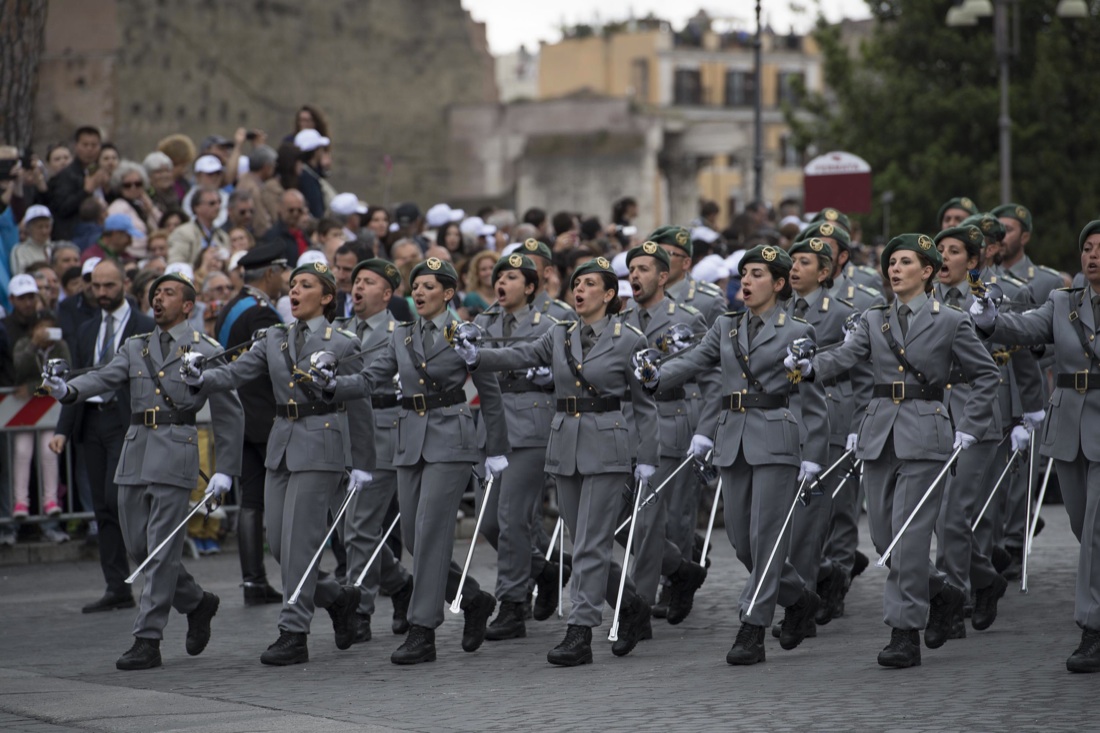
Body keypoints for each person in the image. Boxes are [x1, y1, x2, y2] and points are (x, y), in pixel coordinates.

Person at [793, 233, 999, 668]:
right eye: (891, 262)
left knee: (907, 539)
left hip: (926, 432)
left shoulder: (951, 320)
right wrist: (812, 367)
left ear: (926, 271)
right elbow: (846, 357)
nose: (895, 269)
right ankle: (942, 591)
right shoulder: (873, 319)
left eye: (905, 262)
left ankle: (904, 631)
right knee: (885, 538)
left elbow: (986, 376)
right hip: (879, 431)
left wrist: (970, 427)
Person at [455, 255, 658, 667]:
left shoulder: (629, 338)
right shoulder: (561, 335)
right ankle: (631, 606)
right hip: (565, 443)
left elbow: (645, 404)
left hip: (606, 444)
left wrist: (647, 457)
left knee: (591, 541)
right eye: (576, 284)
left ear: (608, 294)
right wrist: (477, 358)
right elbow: (520, 354)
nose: (579, 290)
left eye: (589, 284)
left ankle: (581, 629)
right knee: (578, 537)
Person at [42, 271, 243, 670]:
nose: (158, 299)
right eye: (155, 293)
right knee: (138, 546)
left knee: (161, 545)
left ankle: (147, 638)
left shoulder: (204, 348)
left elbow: (228, 409)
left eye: (168, 293)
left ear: (188, 305)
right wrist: (69, 391)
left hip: (175, 449)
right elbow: (103, 375)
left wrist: (226, 470)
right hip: (135, 449)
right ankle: (197, 602)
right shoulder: (135, 347)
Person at [640, 244, 827, 666]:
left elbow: (812, 398)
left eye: (757, 274)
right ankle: (798, 599)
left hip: (776, 438)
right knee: (743, 543)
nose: (746, 280)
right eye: (744, 273)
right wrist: (655, 376)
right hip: (733, 438)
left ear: (779, 284)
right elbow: (692, 361)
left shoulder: (797, 330)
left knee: (765, 538)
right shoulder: (725, 327)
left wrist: (813, 455)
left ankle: (752, 625)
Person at [319, 256, 508, 665]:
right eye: (416, 286)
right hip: (409, 437)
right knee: (412, 538)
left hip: (450, 438)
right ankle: (473, 599)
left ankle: (424, 629)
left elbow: (489, 393)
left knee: (431, 530)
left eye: (428, 286)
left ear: (448, 293)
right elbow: (370, 379)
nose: (419, 293)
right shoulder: (402, 335)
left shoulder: (463, 333)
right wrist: (333, 384)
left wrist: (496, 449)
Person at [182, 260, 372, 666]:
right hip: (281, 442)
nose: (295, 290)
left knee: (301, 544)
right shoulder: (274, 338)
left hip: (321, 445)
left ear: (326, 297)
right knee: (283, 548)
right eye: (292, 284)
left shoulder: (342, 342)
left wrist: (362, 461)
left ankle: (293, 631)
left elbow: (359, 401)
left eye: (305, 285)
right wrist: (202, 376)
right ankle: (338, 598)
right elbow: (235, 374)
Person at [968, 219, 1100, 673]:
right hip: (1070, 426)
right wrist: (988, 319)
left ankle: (1092, 628)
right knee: (1084, 528)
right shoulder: (1062, 302)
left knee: (1096, 534)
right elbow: (1022, 330)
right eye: (1087, 248)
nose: (1093, 256)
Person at [931, 224, 1040, 638]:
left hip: (978, 413)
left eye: (953, 250)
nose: (943, 257)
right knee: (944, 517)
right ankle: (984, 578)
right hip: (935, 413)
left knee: (954, 515)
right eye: (939, 249)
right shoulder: (924, 300)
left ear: (973, 260)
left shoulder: (989, 297)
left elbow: (1021, 353)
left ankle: (952, 596)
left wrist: (1029, 413)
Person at [469, 253, 567, 641]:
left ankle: (512, 603)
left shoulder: (550, 324)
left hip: (530, 424)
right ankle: (546, 570)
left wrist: (549, 378)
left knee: (512, 519)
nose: (502, 282)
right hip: (491, 428)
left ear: (530, 286)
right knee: (490, 522)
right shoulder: (481, 323)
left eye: (512, 277)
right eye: (499, 276)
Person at [52, 258, 155, 611]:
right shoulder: (85, 329)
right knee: (102, 506)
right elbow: (76, 384)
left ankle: (151, 576)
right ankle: (117, 587)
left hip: (127, 420)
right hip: (92, 420)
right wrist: (62, 430)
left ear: (124, 283)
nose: (102, 293)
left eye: (109, 286)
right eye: (95, 286)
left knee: (118, 499)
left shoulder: (145, 326)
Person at [619, 242, 711, 620]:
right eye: (632, 269)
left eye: (644, 269)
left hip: (670, 418)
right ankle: (679, 569)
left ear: (662, 276)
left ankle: (643, 602)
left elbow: (712, 378)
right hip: (625, 423)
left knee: (665, 518)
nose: (635, 276)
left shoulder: (686, 318)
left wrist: (705, 430)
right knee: (621, 520)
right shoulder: (618, 318)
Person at [781, 236, 863, 628]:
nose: (795, 268)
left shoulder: (842, 313)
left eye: (805, 262)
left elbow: (863, 371)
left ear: (826, 271)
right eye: (792, 261)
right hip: (787, 417)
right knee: (793, 513)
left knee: (820, 512)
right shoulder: (779, 312)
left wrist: (859, 425)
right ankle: (824, 576)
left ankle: (811, 597)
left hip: (829, 414)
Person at [335, 258, 414, 642]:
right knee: (351, 527)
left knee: (361, 525)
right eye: (355, 282)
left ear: (387, 294)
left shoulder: (399, 333)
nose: (358, 288)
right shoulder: (340, 330)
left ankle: (359, 609)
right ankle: (400, 584)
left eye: (368, 282)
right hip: (342, 433)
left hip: (383, 429)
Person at [209, 242, 287, 605]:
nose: (286, 279)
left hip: (240, 414)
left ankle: (253, 581)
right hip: (265, 417)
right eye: (283, 272)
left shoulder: (231, 307)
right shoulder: (262, 314)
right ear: (269, 274)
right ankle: (288, 575)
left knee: (251, 501)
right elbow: (274, 371)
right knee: (276, 500)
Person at [11, 313, 69, 524]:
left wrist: (33, 388)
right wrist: (33, 346)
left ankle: (51, 500)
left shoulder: (60, 346)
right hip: (23, 412)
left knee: (49, 450)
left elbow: (64, 376)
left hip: (51, 411)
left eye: (50, 328)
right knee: (21, 451)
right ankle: (20, 502)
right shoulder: (23, 345)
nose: (46, 333)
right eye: (41, 328)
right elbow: (18, 370)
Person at [47, 126, 106, 241]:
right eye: (85, 145)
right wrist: (85, 191)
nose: (90, 149)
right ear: (76, 146)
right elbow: (62, 208)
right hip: (76, 235)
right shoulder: (66, 175)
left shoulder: (100, 171)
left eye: (94, 145)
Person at [167, 189, 229, 265]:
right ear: (197, 207)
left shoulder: (223, 236)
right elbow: (176, 263)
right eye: (212, 203)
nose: (217, 207)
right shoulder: (183, 233)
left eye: (219, 202)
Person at [11, 205, 57, 276]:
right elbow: (20, 275)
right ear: (28, 228)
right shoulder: (20, 251)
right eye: (40, 227)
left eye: (47, 226)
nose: (44, 231)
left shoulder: (55, 248)